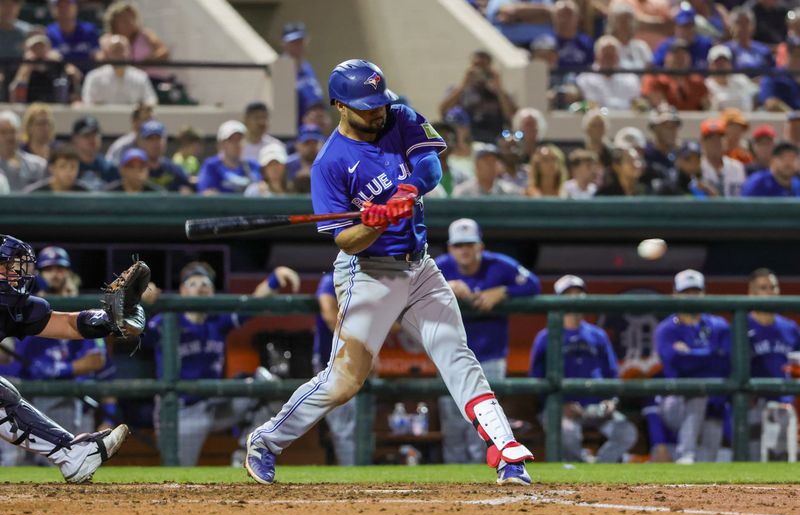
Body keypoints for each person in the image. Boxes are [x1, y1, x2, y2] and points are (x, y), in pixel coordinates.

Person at [245, 59, 535, 486]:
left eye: (379, 103)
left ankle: (507, 454)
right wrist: (376, 221)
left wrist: (406, 191)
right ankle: (266, 441)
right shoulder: (329, 164)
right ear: (340, 106)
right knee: (343, 381)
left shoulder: (399, 116)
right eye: (366, 106)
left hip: (419, 267)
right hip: (368, 272)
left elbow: (432, 166)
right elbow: (345, 241)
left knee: (456, 354)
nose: (377, 112)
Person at [0, 234, 136, 482]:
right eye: (5, 267)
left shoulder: (12, 307)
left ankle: (71, 453)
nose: (14, 274)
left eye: (14, 267)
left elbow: (68, 324)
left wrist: (107, 319)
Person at [144, 261, 300, 466]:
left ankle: (246, 453)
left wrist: (274, 278)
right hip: (180, 408)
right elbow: (138, 335)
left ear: (212, 292)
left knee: (266, 383)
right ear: (182, 291)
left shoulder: (218, 319)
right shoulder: (168, 318)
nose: (200, 287)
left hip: (216, 403)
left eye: (205, 284)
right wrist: (143, 305)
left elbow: (253, 303)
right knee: (177, 472)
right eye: (193, 284)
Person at [436, 218, 540, 464]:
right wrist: (444, 286)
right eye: (459, 245)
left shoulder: (499, 265)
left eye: (470, 244)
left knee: (486, 426)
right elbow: (410, 289)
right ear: (450, 248)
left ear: (480, 246)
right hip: (450, 357)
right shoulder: (438, 269)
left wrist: (503, 291)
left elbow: (533, 284)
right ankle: (451, 485)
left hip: (490, 356)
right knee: (452, 426)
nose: (464, 250)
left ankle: (480, 480)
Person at [530, 275, 638, 463]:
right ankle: (582, 467)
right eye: (568, 294)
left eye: (579, 294)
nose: (574, 298)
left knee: (626, 432)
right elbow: (536, 379)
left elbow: (612, 373)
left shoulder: (598, 335)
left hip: (596, 407)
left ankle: (599, 468)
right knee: (567, 432)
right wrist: (559, 405)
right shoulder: (545, 336)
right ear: (557, 300)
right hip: (561, 407)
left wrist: (610, 400)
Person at [18, 246, 110, 464]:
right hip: (34, 397)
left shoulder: (81, 310)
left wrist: (61, 370)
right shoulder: (26, 309)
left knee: (76, 459)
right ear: (38, 273)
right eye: (49, 269)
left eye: (60, 268)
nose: (55, 274)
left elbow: (97, 359)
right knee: (29, 468)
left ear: (68, 272)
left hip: (71, 396)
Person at [654, 269, 730, 464]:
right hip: (677, 402)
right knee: (698, 391)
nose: (692, 297)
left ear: (704, 293)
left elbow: (727, 360)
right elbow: (677, 364)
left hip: (715, 401)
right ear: (675, 295)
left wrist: (690, 353)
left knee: (709, 459)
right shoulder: (666, 329)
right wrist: (710, 353)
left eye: (696, 292)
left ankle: (699, 489)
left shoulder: (719, 325)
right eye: (686, 292)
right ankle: (685, 454)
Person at [745, 268, 800, 461]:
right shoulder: (741, 324)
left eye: (773, 287)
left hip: (783, 402)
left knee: (782, 459)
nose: (769, 292)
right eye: (763, 288)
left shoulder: (790, 328)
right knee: (751, 459)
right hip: (751, 403)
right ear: (751, 292)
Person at [312, 272, 357, 466]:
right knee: (343, 428)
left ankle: (361, 475)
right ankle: (353, 476)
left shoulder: (372, 281)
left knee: (359, 427)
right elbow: (330, 315)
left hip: (358, 363)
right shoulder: (331, 279)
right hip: (330, 362)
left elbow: (394, 322)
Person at [439, 50, 517, 143]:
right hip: (466, 141)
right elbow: (443, 110)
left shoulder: (498, 93)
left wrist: (499, 89)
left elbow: (511, 116)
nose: (479, 70)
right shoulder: (458, 90)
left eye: (483, 66)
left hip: (493, 140)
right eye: (476, 65)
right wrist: (463, 85)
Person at [103, 0, 170, 83]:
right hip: (121, 83)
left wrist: (142, 65)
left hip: (153, 80)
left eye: (131, 18)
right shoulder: (108, 40)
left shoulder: (146, 35)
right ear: (114, 23)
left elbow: (164, 52)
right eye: (123, 20)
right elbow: (102, 60)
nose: (129, 22)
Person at [81, 34, 157, 106]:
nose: (119, 54)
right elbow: (88, 102)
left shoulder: (141, 76)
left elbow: (151, 100)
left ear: (129, 52)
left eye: (122, 50)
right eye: (115, 50)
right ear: (108, 53)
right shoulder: (94, 76)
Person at [10, 33, 81, 104]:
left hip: (55, 102)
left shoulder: (56, 63)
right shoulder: (23, 65)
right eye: (35, 48)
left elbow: (76, 76)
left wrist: (61, 63)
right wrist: (27, 67)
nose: (39, 50)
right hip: (29, 102)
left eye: (41, 47)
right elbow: (15, 88)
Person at [575, 35, 641, 111]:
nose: (608, 58)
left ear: (618, 56)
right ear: (596, 56)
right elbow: (592, 103)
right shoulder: (584, 79)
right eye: (605, 54)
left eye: (612, 54)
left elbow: (633, 103)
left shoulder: (631, 79)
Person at [642, 40, 709, 111]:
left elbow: (706, 106)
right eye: (676, 54)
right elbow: (659, 105)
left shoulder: (697, 81)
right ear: (666, 57)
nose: (680, 59)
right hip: (666, 120)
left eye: (684, 54)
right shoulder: (655, 79)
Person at [197, 120, 261, 195]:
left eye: (240, 139)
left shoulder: (253, 166)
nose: (237, 144)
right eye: (232, 140)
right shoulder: (211, 166)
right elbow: (206, 193)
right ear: (221, 144)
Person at [280, 22, 325, 126]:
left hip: (312, 131)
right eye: (293, 42)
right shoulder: (281, 69)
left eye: (300, 41)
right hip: (292, 131)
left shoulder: (307, 67)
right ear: (284, 44)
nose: (298, 46)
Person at [137, 120, 192, 193]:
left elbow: (190, 191)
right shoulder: (133, 169)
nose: (155, 143)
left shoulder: (175, 170)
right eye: (150, 139)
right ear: (141, 142)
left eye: (158, 138)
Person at [46, 0, 99, 73]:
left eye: (67, 5)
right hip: (61, 78)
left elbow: (98, 55)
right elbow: (48, 55)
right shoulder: (49, 32)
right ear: (53, 10)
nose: (64, 10)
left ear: (75, 8)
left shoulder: (89, 30)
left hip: (88, 78)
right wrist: (66, 66)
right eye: (60, 6)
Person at [698, 118, 746, 197]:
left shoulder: (737, 167)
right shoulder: (697, 167)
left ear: (726, 140)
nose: (715, 142)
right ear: (702, 141)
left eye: (719, 137)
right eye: (710, 138)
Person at [0, 110, 47, 191]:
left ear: (20, 133)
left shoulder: (38, 165)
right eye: (3, 132)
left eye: (12, 131)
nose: (9, 137)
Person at [453, 144, 521, 197]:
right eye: (487, 161)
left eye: (494, 161)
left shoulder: (508, 191)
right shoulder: (463, 192)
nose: (491, 166)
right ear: (477, 165)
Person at [70, 115, 119, 191]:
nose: (92, 139)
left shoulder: (110, 168)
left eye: (95, 134)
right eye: (86, 135)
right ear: (75, 139)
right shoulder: (67, 168)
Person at [705, 46, 759, 112]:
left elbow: (755, 95)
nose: (721, 66)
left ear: (730, 64)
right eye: (717, 62)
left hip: (744, 120)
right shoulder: (706, 85)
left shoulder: (742, 80)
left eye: (724, 62)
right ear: (710, 65)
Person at [486, 0, 554, 48]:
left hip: (532, 49)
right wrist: (544, 11)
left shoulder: (544, 1)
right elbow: (510, 13)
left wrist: (520, 17)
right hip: (499, 45)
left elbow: (552, 16)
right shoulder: (498, 1)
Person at [23, 145, 90, 193]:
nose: (68, 171)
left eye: (73, 167)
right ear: (52, 168)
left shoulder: (86, 193)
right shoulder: (35, 194)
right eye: (62, 166)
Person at [724, 8, 773, 72]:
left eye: (747, 22)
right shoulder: (725, 50)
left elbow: (772, 72)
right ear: (730, 27)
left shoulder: (763, 50)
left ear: (753, 27)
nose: (743, 27)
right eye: (738, 23)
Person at [606, 3, 653, 70]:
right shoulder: (607, 47)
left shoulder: (642, 47)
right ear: (613, 24)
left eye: (630, 21)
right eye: (623, 21)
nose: (627, 25)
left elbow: (649, 70)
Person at [759, 36, 800, 111]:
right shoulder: (774, 75)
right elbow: (771, 103)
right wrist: (794, 116)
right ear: (788, 54)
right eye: (797, 55)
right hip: (784, 120)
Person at [551, 0, 593, 70]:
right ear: (553, 18)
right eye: (561, 15)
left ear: (578, 18)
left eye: (569, 14)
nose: (564, 19)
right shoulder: (546, 43)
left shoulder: (587, 42)